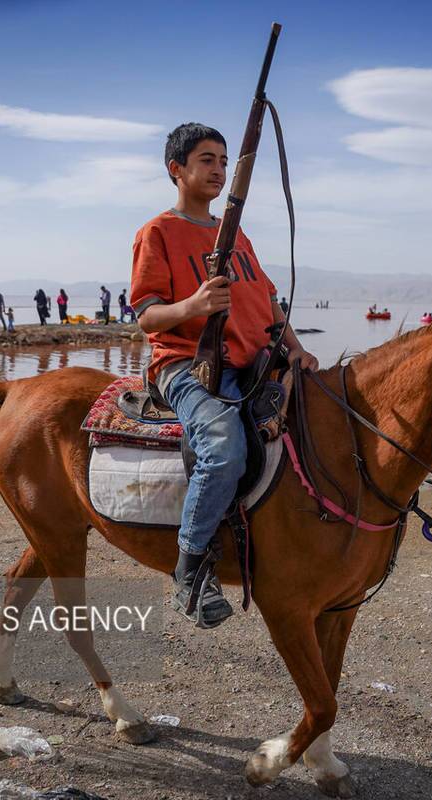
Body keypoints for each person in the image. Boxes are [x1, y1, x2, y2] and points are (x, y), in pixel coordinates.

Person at [131, 122, 318, 628]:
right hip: (189, 365)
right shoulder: (158, 232)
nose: (217, 169)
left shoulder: (239, 237)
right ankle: (191, 565)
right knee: (223, 448)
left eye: (222, 160)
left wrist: (297, 350)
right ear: (178, 170)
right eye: (206, 160)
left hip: (257, 362)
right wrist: (191, 305)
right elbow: (146, 315)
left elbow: (268, 303)